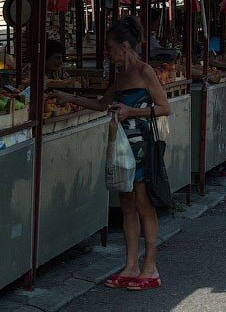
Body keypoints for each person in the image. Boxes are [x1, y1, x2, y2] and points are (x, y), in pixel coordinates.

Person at [51, 16, 170, 291]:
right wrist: (69, 98)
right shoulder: (120, 76)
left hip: (140, 147)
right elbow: (102, 104)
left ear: (125, 46)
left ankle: (150, 267)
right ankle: (130, 266)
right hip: (121, 148)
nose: (107, 51)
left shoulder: (144, 71)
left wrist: (132, 112)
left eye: (110, 46)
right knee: (126, 206)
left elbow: (164, 107)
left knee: (143, 205)